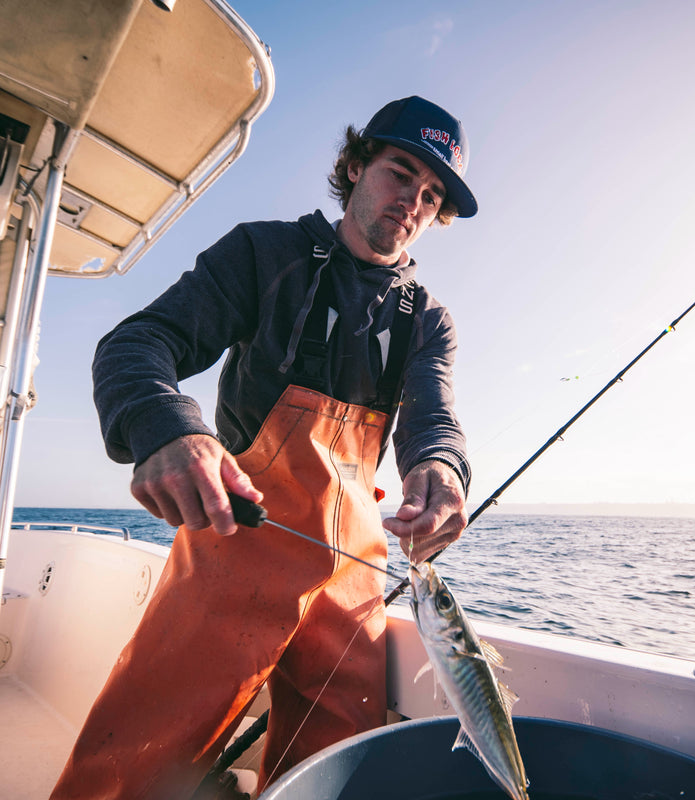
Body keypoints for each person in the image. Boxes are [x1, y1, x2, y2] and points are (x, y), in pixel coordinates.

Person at [50, 95, 477, 800]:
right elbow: (137, 342)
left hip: (353, 577)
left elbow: (434, 417)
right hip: (237, 542)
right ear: (356, 164)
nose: (413, 201)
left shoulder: (426, 320)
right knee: (134, 765)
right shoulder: (262, 253)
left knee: (335, 772)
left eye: (431, 196)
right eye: (401, 172)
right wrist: (170, 427)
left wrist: (440, 467)